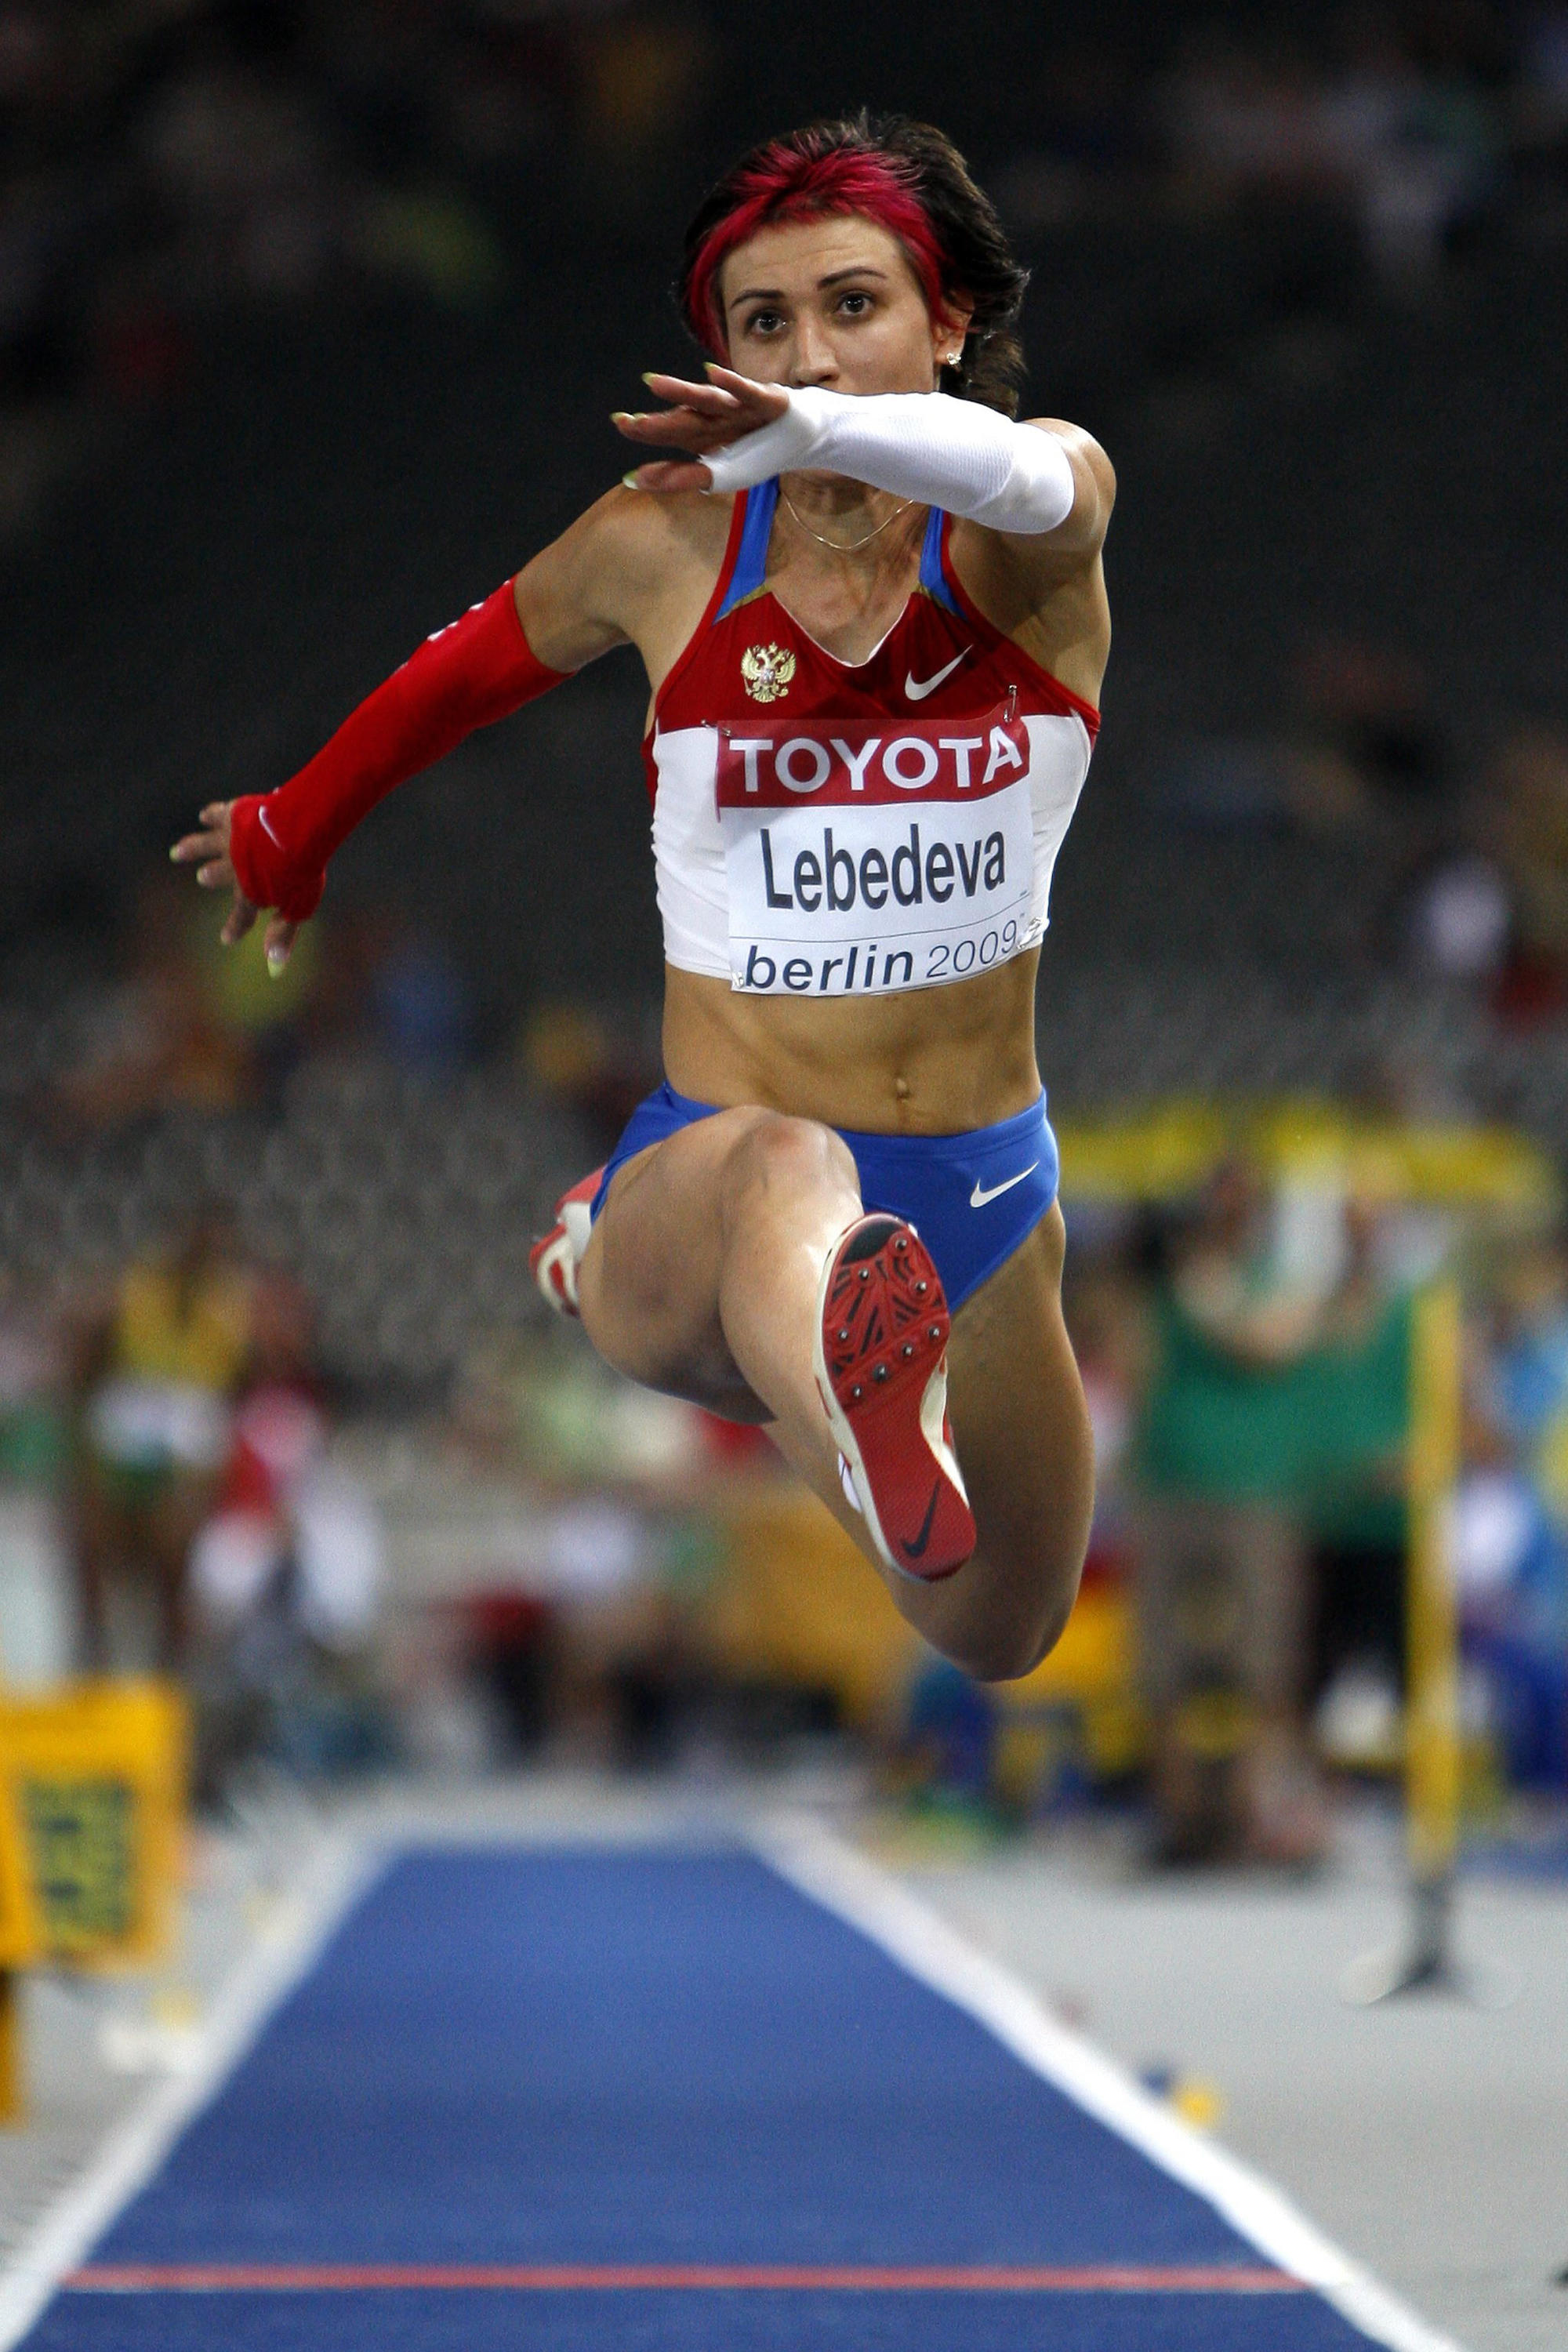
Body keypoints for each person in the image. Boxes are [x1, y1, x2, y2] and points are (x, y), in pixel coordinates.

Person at [172, 114, 1113, 1682]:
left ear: (949, 323)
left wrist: (820, 434)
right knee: (787, 1172)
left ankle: (853, 1406)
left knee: (1003, 1626)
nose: (807, 353)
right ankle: (712, 1289)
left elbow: (1032, 476)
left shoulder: (1037, 527)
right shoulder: (672, 541)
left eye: (853, 306)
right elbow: (455, 678)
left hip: (984, 1180)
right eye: (766, 324)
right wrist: (293, 826)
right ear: (719, 354)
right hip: (721, 1166)